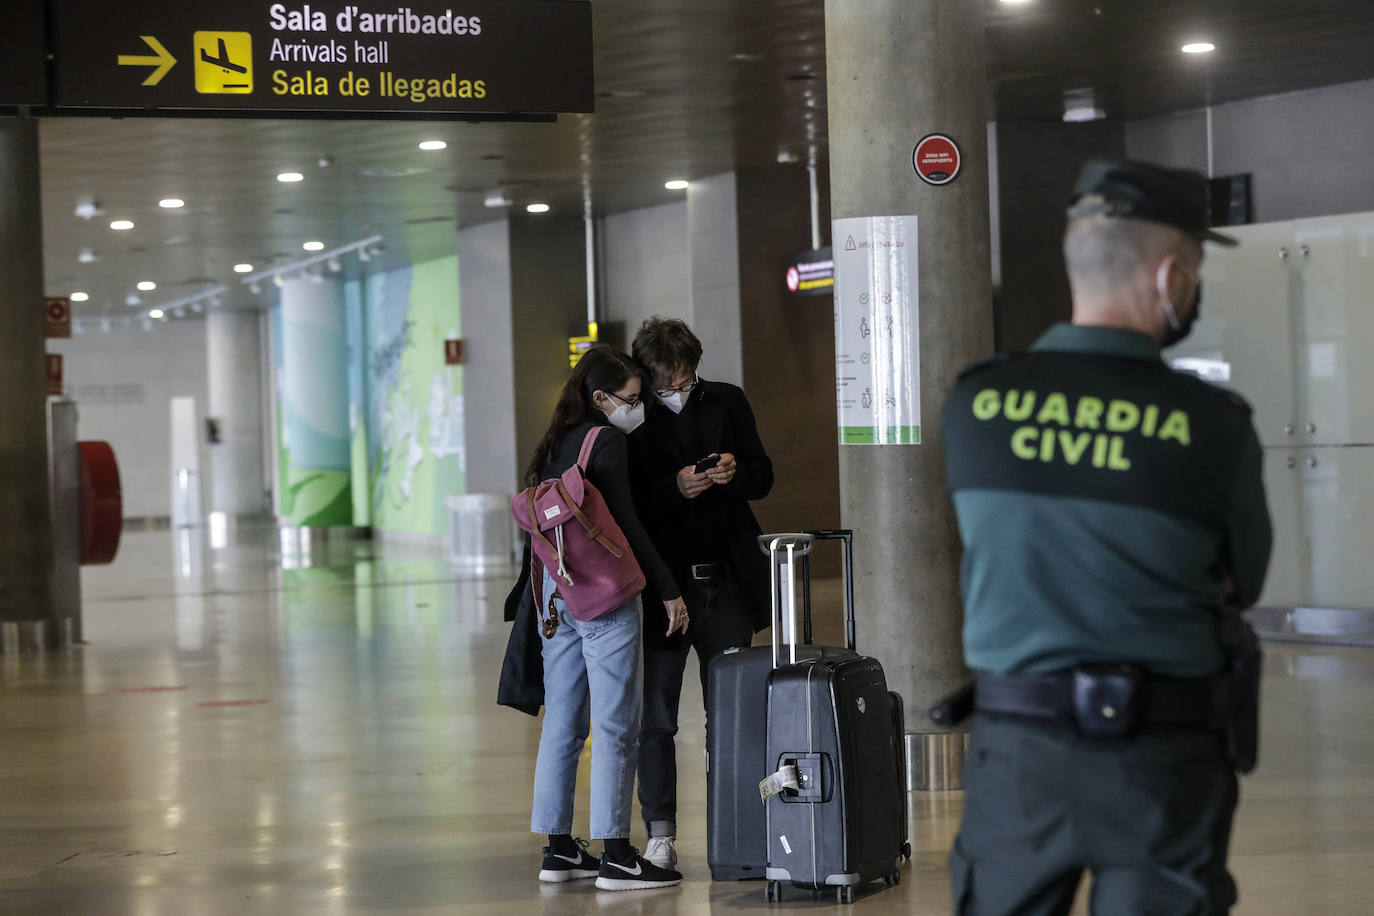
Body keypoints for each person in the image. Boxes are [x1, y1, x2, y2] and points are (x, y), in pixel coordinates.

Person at [940, 160, 1273, 914]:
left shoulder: (976, 403)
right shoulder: (1213, 426)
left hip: (1014, 752)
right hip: (1164, 757)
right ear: (1170, 275)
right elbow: (1241, 581)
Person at [499, 345, 689, 892]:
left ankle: (559, 850)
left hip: (554, 599)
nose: (638, 409)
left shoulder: (553, 441)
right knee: (614, 727)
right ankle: (618, 854)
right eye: (630, 399)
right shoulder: (604, 442)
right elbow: (626, 526)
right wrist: (669, 591)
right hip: (604, 601)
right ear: (600, 397)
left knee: (562, 723)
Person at [627, 318, 774, 869]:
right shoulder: (632, 420)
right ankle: (660, 832)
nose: (678, 392)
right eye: (667, 385)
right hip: (660, 586)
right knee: (657, 716)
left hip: (726, 579)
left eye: (687, 381)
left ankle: (737, 826)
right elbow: (627, 504)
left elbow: (764, 476)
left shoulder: (726, 402)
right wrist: (676, 488)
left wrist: (734, 472)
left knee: (732, 712)